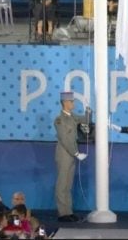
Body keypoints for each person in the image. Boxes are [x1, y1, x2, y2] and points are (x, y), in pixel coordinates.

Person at [54, 91, 90, 222]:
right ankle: (62, 213)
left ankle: (68, 211)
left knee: (68, 185)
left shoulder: (72, 116)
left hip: (71, 154)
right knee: (62, 184)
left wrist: (88, 109)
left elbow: (86, 120)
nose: (73, 103)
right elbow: (65, 139)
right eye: (72, 101)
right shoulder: (59, 120)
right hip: (64, 154)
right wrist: (76, 153)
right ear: (65, 103)